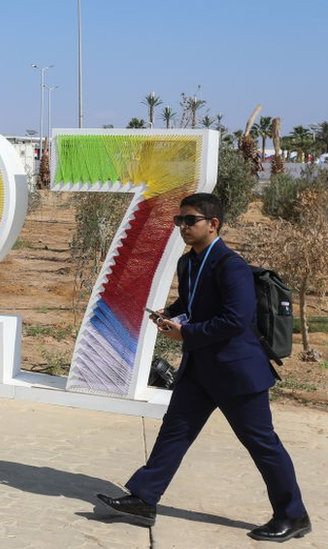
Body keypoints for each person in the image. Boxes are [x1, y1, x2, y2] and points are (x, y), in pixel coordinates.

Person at [96, 193, 311, 542]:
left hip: (237, 372)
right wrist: (171, 312)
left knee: (261, 443)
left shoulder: (231, 265)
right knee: (174, 433)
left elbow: (236, 319)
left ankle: (294, 515)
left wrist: (188, 332)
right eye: (179, 221)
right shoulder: (188, 263)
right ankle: (144, 499)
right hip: (199, 368)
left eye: (190, 220)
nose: (182, 227)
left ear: (213, 224)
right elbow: (192, 301)